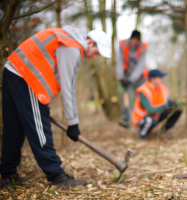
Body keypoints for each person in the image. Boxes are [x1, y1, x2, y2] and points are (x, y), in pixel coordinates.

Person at [0, 26, 111, 187]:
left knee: (14, 127)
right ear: (91, 42)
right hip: (26, 76)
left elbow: (53, 76)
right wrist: (73, 123)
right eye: (96, 52)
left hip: (13, 69)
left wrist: (46, 105)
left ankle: (7, 173)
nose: (94, 57)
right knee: (40, 130)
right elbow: (68, 86)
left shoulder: (65, 36)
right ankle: (56, 176)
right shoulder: (73, 47)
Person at [132, 69, 182, 140]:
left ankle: (163, 131)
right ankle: (142, 135)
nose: (162, 79)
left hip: (156, 115)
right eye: (160, 77)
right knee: (149, 121)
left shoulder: (161, 87)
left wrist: (177, 103)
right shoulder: (143, 90)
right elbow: (149, 110)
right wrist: (165, 106)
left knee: (177, 110)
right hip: (142, 118)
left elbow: (167, 99)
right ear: (152, 79)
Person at [116, 30, 149, 128]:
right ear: (130, 39)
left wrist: (132, 79)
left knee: (142, 96)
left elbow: (140, 65)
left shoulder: (143, 47)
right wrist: (121, 77)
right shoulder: (122, 44)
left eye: (137, 40)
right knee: (126, 96)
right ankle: (126, 120)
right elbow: (119, 61)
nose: (134, 42)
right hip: (126, 75)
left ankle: (143, 119)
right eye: (133, 39)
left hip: (140, 76)